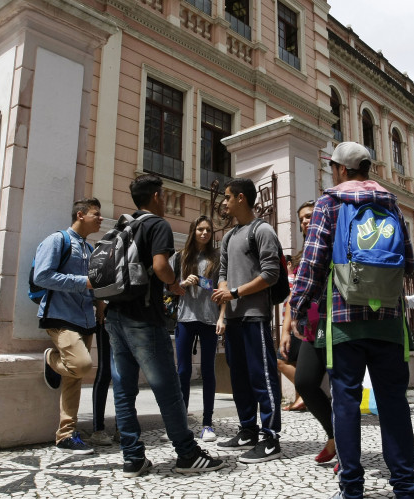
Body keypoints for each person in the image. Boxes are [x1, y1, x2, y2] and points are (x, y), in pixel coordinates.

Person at [290, 142, 414, 499]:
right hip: (389, 319)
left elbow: (313, 262)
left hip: (343, 319)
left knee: (345, 402)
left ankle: (352, 488)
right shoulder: (391, 203)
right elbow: (407, 262)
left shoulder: (330, 202)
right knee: (394, 402)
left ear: (341, 170)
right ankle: (405, 486)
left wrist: (300, 307)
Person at [104, 174, 223, 477]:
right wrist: (175, 284)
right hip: (144, 317)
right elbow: (160, 267)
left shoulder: (122, 225)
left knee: (123, 388)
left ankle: (132, 458)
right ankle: (186, 453)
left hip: (115, 315)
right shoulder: (157, 225)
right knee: (167, 387)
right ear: (156, 196)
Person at [211, 178, 283, 464]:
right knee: (239, 377)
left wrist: (236, 291)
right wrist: (224, 302)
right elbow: (223, 273)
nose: (224, 203)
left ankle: (270, 437)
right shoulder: (229, 237)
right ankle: (247, 430)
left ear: (241, 198)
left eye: (227, 197)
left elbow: (271, 274)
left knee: (262, 376)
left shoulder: (262, 230)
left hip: (255, 316)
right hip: (233, 318)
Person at [35, 198, 102, 455]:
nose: (99, 219)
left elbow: (94, 283)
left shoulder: (91, 247)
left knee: (74, 378)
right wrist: (82, 282)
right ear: (80, 214)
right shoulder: (58, 240)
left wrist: (100, 305)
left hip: (85, 318)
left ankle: (66, 435)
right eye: (96, 214)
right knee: (82, 365)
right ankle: (51, 358)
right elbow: (42, 276)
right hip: (60, 316)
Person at [285, 199, 335, 464]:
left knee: (339, 386)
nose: (305, 221)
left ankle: (342, 444)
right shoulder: (301, 253)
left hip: (335, 322)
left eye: (309, 216)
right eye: (302, 218)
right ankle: (334, 434)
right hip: (311, 324)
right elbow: (295, 294)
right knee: (304, 381)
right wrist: (288, 327)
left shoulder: (331, 243)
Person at [172, 215, 223, 442]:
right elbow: (170, 288)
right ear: (193, 231)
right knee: (182, 371)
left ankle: (207, 423)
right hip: (185, 317)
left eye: (208, 230)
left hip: (209, 319)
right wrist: (183, 283)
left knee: (208, 371)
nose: (204, 233)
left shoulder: (217, 257)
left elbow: (222, 289)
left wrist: (200, 281)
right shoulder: (181, 257)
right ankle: (181, 422)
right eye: (200, 229)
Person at [278, 255, 305, 412]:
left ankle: (307, 392)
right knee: (296, 364)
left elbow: (292, 298)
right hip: (297, 322)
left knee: (280, 360)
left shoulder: (290, 278)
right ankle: (299, 399)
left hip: (297, 323)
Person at [88, 315, 114, 446]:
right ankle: (98, 429)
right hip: (107, 317)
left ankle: (123, 427)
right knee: (105, 371)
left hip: (130, 317)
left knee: (125, 374)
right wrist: (101, 305)